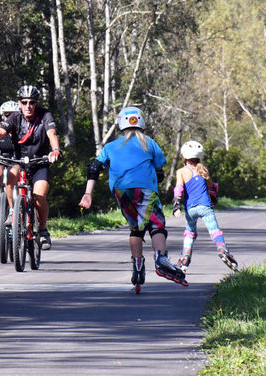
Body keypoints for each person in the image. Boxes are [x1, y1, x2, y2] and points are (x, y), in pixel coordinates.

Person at [79, 106, 187, 287]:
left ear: (121, 125)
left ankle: (137, 264)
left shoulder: (110, 146)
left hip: (121, 191)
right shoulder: (149, 143)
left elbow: (94, 168)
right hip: (144, 189)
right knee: (156, 224)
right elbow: (159, 169)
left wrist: (88, 193)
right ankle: (161, 259)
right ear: (141, 123)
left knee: (136, 227)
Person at [0, 85, 61, 250]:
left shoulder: (45, 115)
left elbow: (52, 133)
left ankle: (43, 230)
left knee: (39, 197)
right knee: (11, 174)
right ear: (19, 103)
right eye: (24, 102)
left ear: (37, 103)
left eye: (32, 102)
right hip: (19, 161)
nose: (28, 106)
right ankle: (13, 211)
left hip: (40, 163)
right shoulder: (15, 117)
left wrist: (55, 150)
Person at [171, 140, 238, 272]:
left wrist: (176, 205)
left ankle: (185, 257)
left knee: (190, 233)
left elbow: (178, 188)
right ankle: (222, 249)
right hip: (205, 207)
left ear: (184, 157)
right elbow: (212, 187)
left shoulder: (181, 171)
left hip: (190, 209)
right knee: (215, 231)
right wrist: (213, 198)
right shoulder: (203, 169)